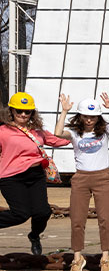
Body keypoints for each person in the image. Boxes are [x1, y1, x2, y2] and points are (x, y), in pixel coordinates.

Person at [54, 94, 109, 271]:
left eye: (93, 116)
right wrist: (64, 111)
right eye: (85, 116)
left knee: (105, 219)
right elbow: (57, 133)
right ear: (80, 116)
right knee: (77, 220)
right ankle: (77, 258)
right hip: (80, 178)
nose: (89, 120)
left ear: (98, 117)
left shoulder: (105, 130)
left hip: (103, 178)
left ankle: (105, 258)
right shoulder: (74, 132)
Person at [0, 93, 71, 254]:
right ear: (11, 111)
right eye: (19, 111)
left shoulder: (37, 132)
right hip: (11, 178)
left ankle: (34, 236)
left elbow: (62, 140)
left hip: (35, 175)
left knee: (43, 212)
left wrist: (67, 114)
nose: (23, 115)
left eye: (28, 111)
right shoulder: (2, 131)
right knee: (20, 214)